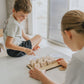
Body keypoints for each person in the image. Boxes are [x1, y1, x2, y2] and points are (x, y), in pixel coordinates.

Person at [29, 10, 84, 84]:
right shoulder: (79, 61)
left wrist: (41, 77)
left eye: (62, 35)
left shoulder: (78, 59)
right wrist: (71, 67)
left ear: (68, 34)